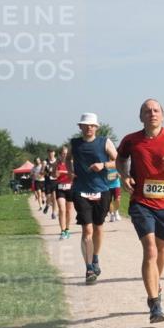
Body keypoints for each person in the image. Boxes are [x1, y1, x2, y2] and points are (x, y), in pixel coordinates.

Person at [116, 98, 164, 323]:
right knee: (150, 250)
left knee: (161, 250)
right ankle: (155, 303)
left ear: (163, 115)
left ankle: (155, 283)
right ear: (140, 117)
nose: (152, 113)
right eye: (147, 111)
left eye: (156, 110)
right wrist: (125, 176)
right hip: (141, 203)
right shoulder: (131, 140)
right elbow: (121, 160)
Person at [70, 113, 117, 284]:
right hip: (81, 191)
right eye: (86, 125)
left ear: (96, 127)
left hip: (102, 190)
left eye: (92, 125)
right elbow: (68, 158)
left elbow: (118, 160)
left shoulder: (104, 142)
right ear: (80, 127)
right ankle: (89, 268)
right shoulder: (74, 143)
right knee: (87, 230)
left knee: (98, 227)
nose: (89, 127)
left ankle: (95, 257)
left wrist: (103, 165)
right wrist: (70, 171)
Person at [55, 146, 75, 239]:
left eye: (66, 153)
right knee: (62, 210)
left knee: (69, 210)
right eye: (63, 153)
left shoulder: (71, 163)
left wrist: (65, 173)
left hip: (70, 187)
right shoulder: (57, 163)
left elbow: (74, 176)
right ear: (60, 154)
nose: (65, 155)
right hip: (60, 188)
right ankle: (62, 231)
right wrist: (66, 173)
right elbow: (55, 175)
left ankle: (67, 229)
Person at [43, 149, 58, 219]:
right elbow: (41, 173)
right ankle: (47, 204)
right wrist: (46, 171)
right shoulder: (45, 162)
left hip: (55, 181)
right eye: (49, 153)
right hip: (48, 182)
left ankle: (54, 213)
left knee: (54, 198)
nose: (50, 154)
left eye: (52, 152)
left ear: (54, 153)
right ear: (47, 154)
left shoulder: (57, 161)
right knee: (48, 197)